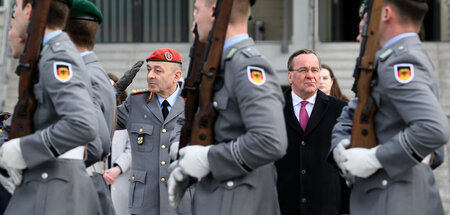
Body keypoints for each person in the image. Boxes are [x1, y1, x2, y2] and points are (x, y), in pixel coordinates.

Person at [168, 0, 287, 214]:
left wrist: (208, 159)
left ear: (214, 10)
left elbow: (271, 141)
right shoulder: (219, 66)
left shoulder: (247, 66)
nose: (194, 20)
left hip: (240, 203)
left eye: (196, 10)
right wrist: (189, 166)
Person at [331, 0, 450, 214]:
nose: (363, 34)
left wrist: (374, 158)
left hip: (395, 199)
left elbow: (433, 129)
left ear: (385, 14)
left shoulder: (400, 61)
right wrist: (340, 147)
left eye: (365, 24)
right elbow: (352, 114)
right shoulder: (388, 60)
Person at [0, 0, 102, 214]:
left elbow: (83, 124)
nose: (13, 16)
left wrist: (23, 149)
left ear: (28, 11)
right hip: (48, 185)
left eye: (16, 8)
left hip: (54, 191)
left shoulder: (57, 56)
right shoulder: (49, 54)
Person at [116, 48, 192, 215]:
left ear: (176, 76)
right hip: (144, 205)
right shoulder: (135, 103)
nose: (150, 75)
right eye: (149, 69)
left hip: (183, 204)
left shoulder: (193, 105)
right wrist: (114, 92)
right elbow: (99, 119)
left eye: (158, 71)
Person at [275, 49, 349, 215]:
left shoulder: (340, 110)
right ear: (289, 76)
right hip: (282, 206)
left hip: (327, 207)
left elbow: (346, 162)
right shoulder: (274, 109)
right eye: (303, 70)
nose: (310, 75)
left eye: (314, 70)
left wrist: (346, 209)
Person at [65, 1, 117, 214]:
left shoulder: (85, 76)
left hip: (83, 187)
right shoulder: (94, 72)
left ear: (65, 32)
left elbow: (95, 145)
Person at [104, 73, 132, 215]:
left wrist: (118, 168)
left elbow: (132, 147)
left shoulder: (128, 113)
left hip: (121, 176)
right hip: (97, 176)